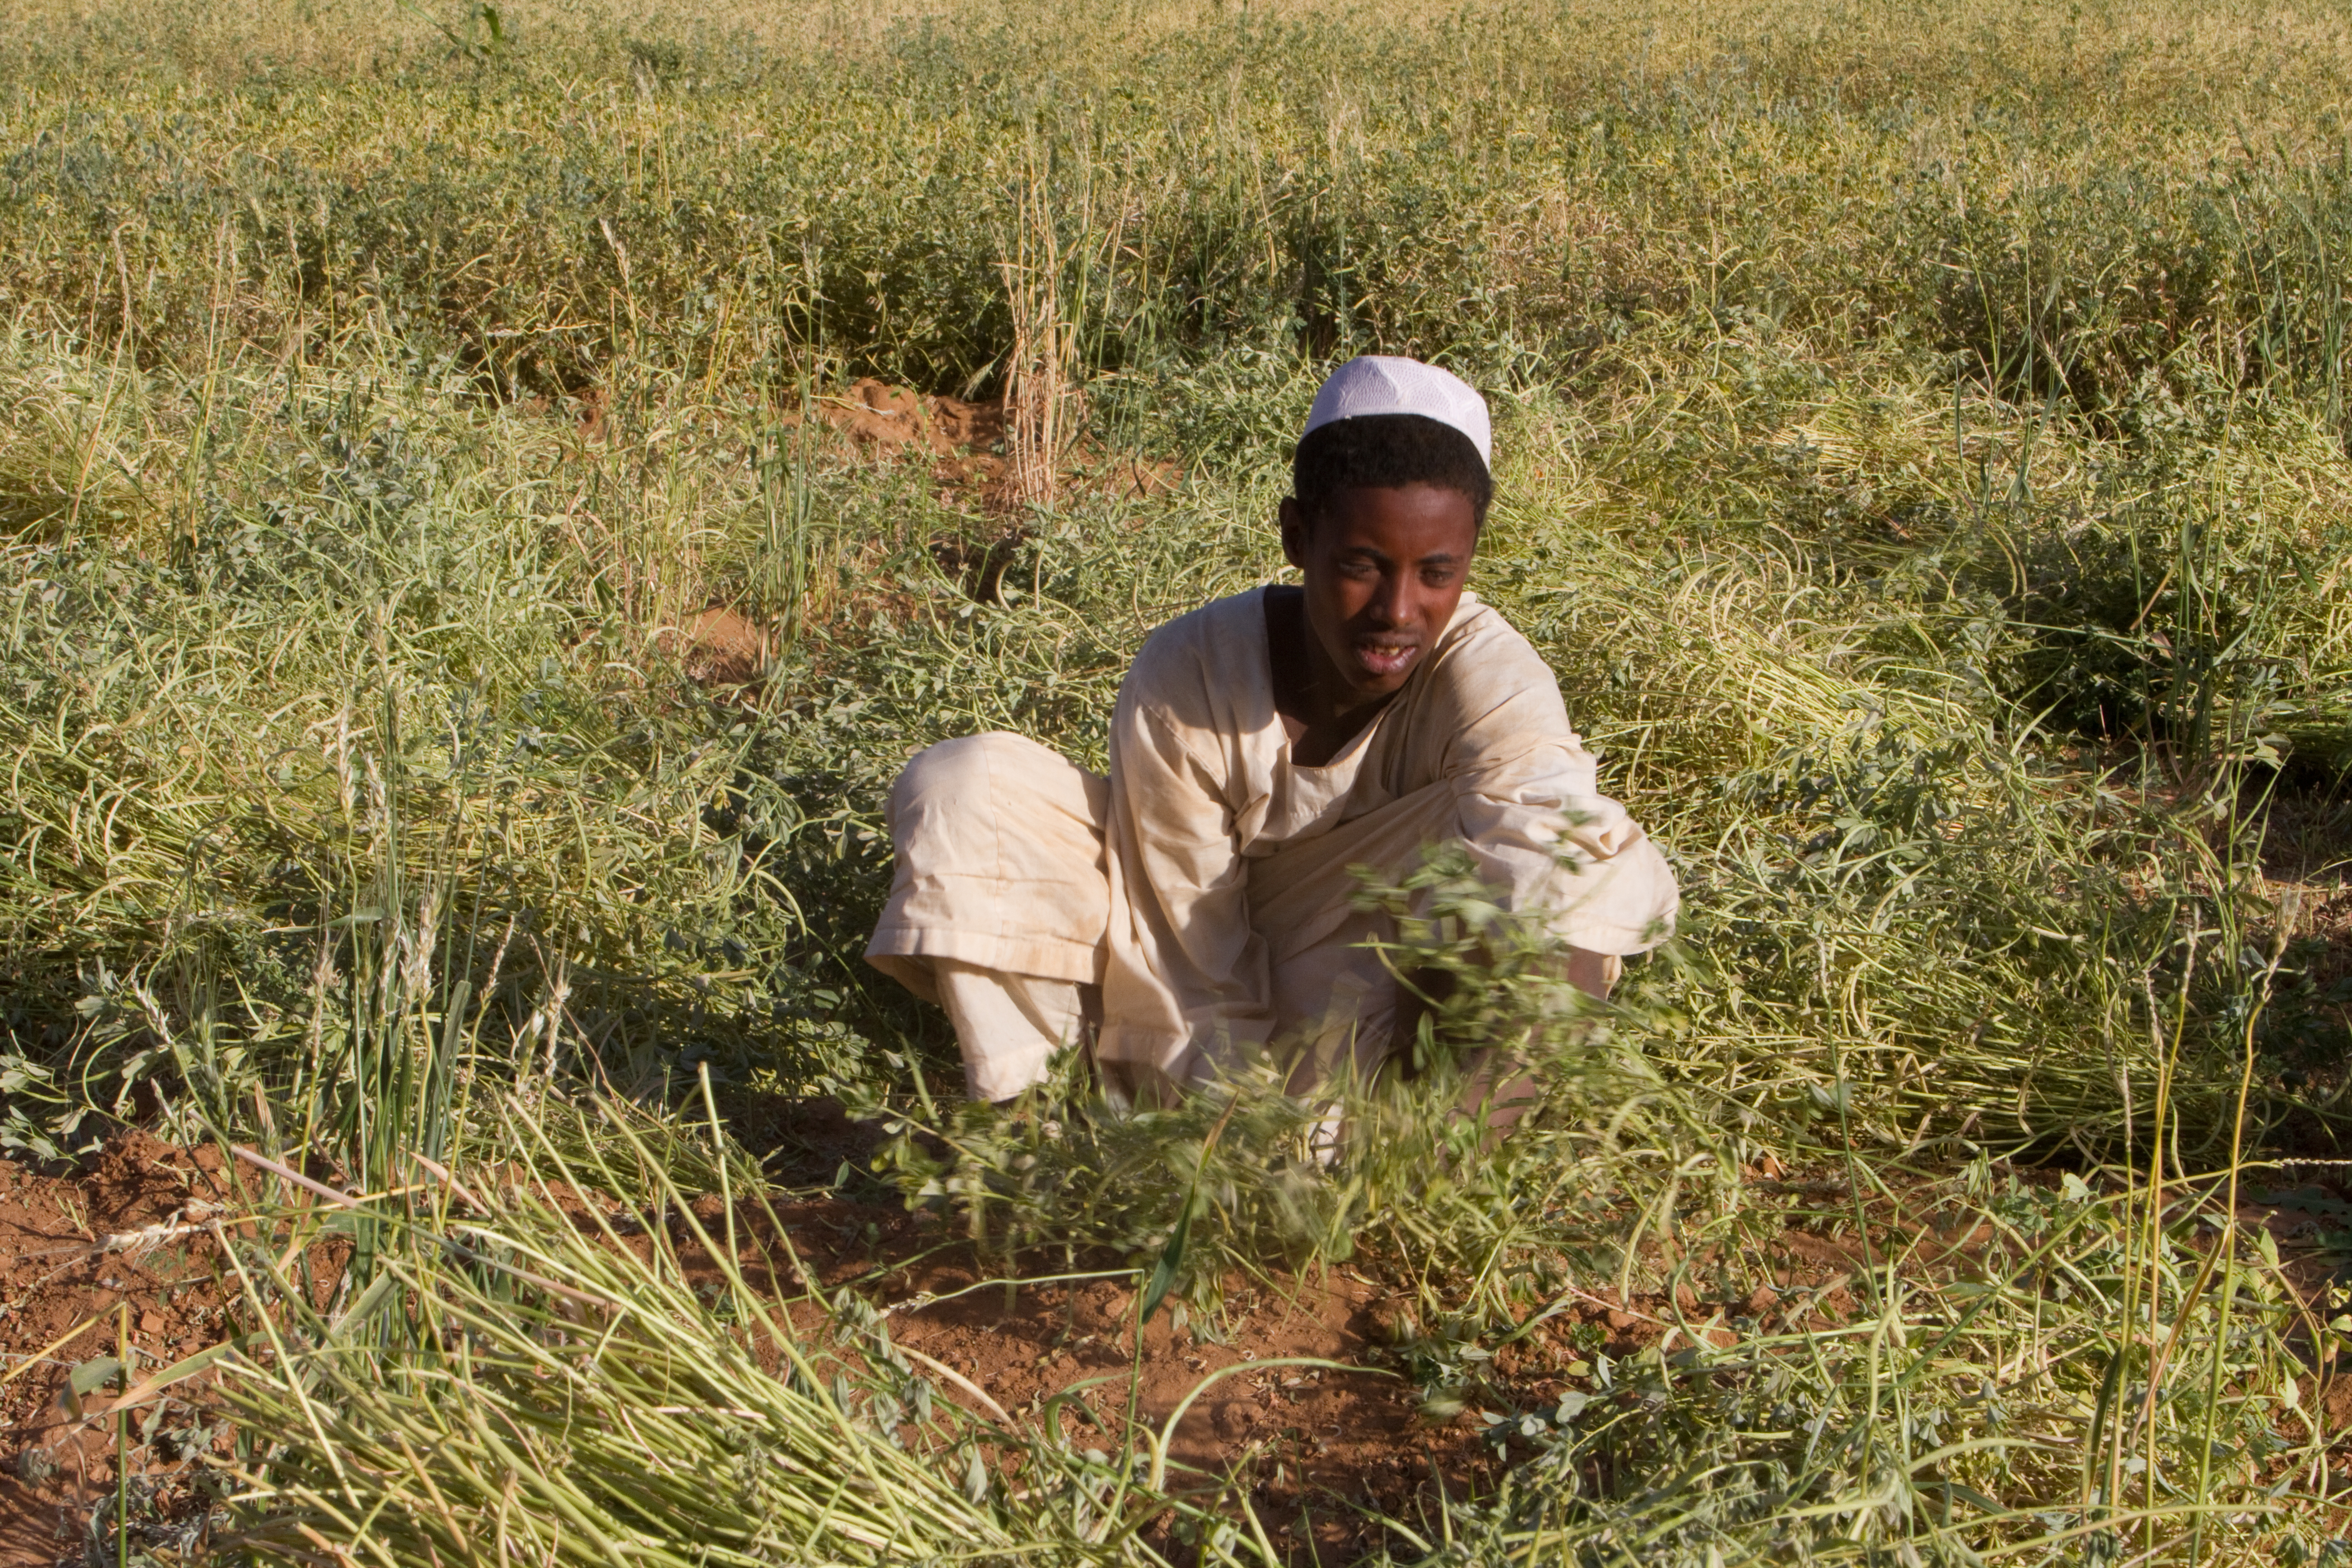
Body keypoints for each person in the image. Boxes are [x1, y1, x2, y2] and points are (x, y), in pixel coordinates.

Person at [863, 356, 1679, 1110]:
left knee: (1577, 864)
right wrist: (1231, 1139)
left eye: (1437, 573)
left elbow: (1565, 872)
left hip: (1362, 991)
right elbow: (1183, 949)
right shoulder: (1194, 671)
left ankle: (1420, 1159)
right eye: (1361, 565)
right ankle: (1045, 1122)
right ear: (1297, 538)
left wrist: (1441, 1169)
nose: (1398, 612)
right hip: (1179, 973)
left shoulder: (1491, 677)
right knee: (969, 790)